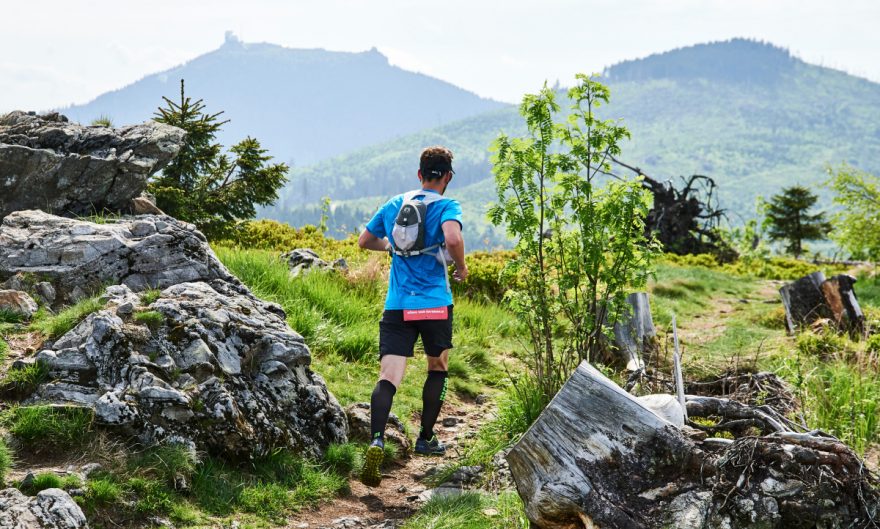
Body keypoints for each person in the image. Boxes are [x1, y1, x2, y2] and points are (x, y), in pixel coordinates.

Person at [356, 146, 468, 487]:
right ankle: (426, 438)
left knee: (389, 375)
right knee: (437, 367)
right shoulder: (447, 205)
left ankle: (376, 439)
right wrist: (461, 266)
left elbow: (365, 240)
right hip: (434, 305)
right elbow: (452, 236)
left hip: (397, 305)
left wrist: (392, 246)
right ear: (447, 176)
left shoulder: (395, 203)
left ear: (419, 174)